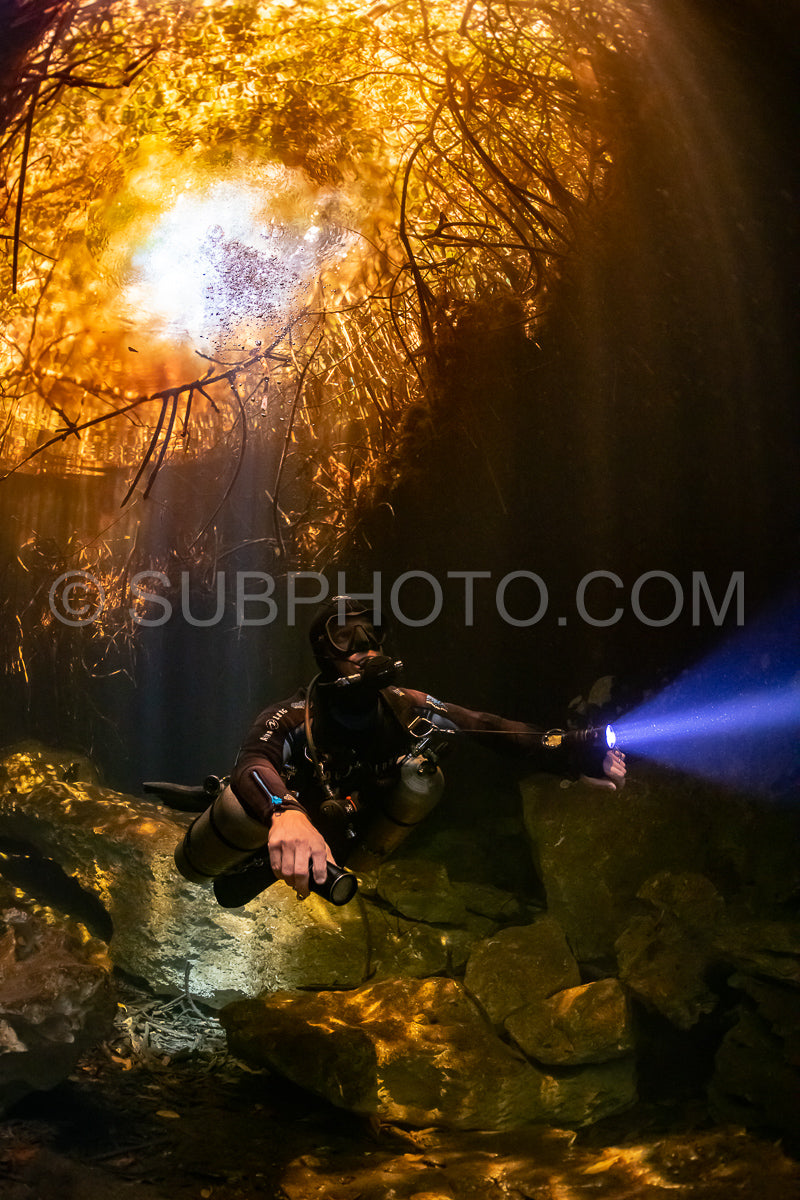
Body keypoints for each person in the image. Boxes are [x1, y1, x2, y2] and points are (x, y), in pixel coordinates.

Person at [175, 596, 625, 903]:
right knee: (233, 834)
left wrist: (574, 753)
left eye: (372, 633)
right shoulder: (296, 715)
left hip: (347, 842)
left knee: (426, 779)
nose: (365, 646)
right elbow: (254, 759)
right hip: (287, 826)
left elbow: (490, 728)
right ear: (323, 653)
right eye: (345, 637)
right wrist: (283, 811)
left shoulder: (407, 707)